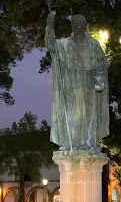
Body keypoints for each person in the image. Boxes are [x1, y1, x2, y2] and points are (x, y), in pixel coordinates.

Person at [45, 10, 109, 151]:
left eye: (79, 23)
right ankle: (70, 143)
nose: (77, 25)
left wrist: (100, 79)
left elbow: (100, 64)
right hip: (70, 85)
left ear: (84, 25)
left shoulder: (93, 44)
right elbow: (51, 45)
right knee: (72, 114)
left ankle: (89, 142)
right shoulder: (64, 44)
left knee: (89, 114)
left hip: (88, 86)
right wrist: (50, 25)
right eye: (74, 23)